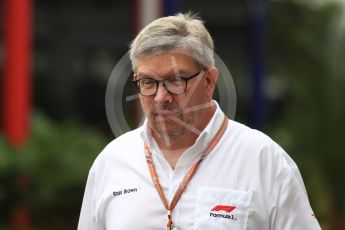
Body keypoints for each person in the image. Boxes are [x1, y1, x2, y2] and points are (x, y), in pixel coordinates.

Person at [78, 12, 321, 230]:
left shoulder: (264, 160)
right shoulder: (111, 162)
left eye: (176, 81)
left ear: (209, 82)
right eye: (149, 82)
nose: (161, 98)